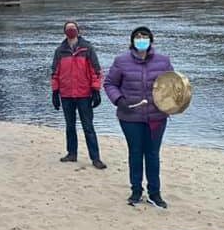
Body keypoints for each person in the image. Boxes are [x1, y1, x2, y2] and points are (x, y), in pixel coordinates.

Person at [104, 26, 174, 208]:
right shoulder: (121, 61)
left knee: (152, 154)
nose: (141, 39)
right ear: (132, 40)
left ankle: (154, 193)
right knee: (135, 153)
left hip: (156, 117)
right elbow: (110, 83)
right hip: (130, 116)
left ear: (151, 40)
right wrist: (119, 100)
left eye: (144, 36)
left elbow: (173, 85)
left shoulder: (164, 61)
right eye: (137, 36)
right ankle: (136, 190)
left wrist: (174, 103)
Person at [51, 20, 106, 169]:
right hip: (66, 94)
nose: (71, 31)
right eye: (68, 29)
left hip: (84, 94)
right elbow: (55, 73)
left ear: (78, 30)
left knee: (88, 126)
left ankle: (95, 158)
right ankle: (72, 153)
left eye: (73, 28)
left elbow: (96, 71)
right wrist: (55, 92)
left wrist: (96, 90)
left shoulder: (87, 48)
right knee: (70, 126)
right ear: (64, 32)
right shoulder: (59, 51)